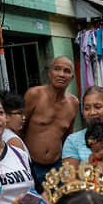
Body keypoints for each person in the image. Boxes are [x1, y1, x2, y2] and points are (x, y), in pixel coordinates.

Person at [23, 56, 79, 191]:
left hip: (56, 167)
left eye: (66, 71)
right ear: (50, 73)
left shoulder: (73, 103)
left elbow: (67, 138)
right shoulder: (34, 94)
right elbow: (18, 128)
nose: (61, 74)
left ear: (71, 77)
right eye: (57, 69)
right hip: (30, 166)